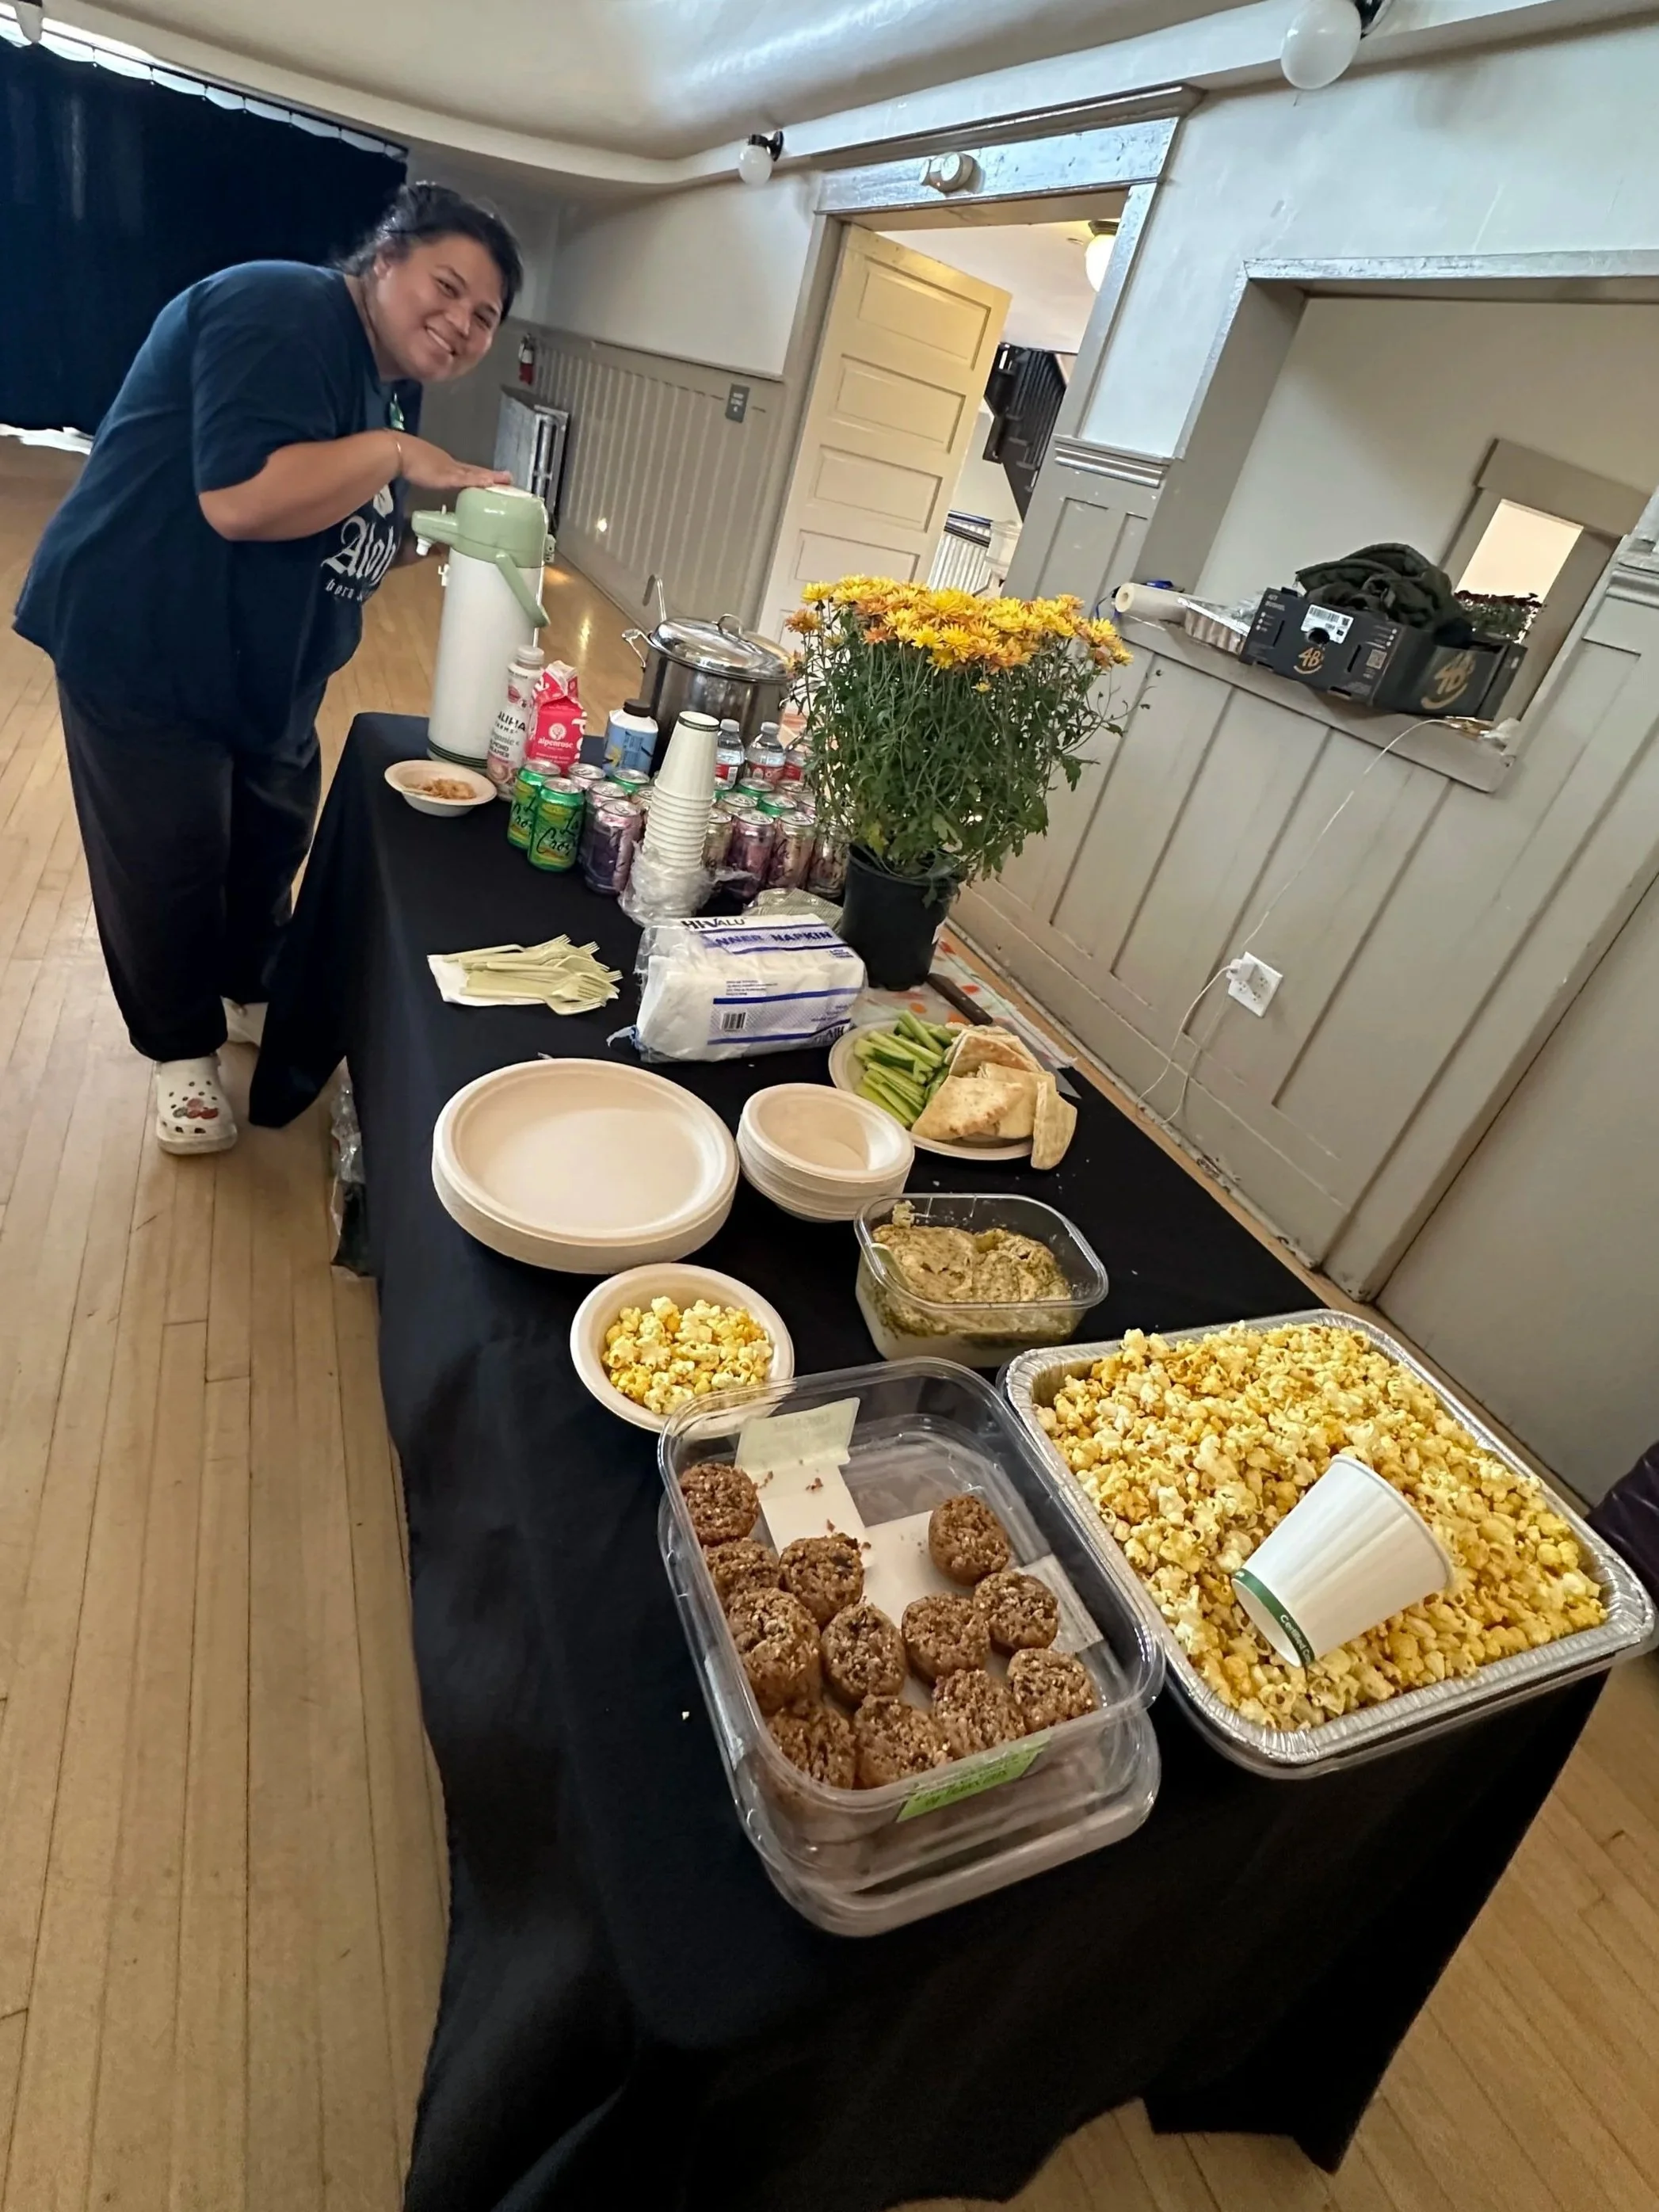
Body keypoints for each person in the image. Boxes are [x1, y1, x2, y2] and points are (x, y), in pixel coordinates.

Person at [13, 181, 521, 1153]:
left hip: (262, 664)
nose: (461, 322)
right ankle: (181, 1051)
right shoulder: (283, 307)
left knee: (267, 838)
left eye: (485, 316)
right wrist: (399, 451)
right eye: (447, 287)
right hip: (144, 637)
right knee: (169, 860)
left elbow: (335, 525)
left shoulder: (375, 384)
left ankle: (248, 987)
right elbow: (243, 502)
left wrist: (438, 539)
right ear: (384, 260)